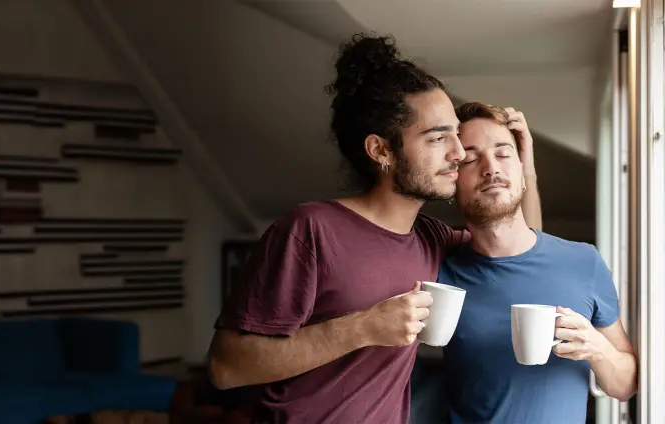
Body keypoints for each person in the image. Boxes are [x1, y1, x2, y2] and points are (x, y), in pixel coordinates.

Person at [205, 34, 541, 424]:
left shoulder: (432, 239)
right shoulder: (310, 230)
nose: (458, 152)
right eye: (437, 138)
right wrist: (363, 327)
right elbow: (225, 367)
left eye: (455, 134)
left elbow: (524, 250)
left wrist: (524, 164)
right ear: (381, 150)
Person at [434, 102, 638, 423]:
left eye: (503, 154)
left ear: (522, 170)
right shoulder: (439, 270)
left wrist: (596, 348)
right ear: (451, 181)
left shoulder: (583, 261)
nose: (491, 168)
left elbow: (625, 386)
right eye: (471, 158)